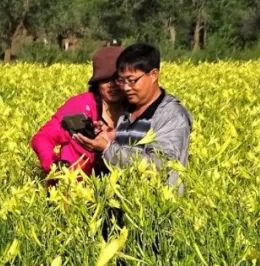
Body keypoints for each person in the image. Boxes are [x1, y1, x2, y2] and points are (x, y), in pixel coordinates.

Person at [75, 42, 192, 191]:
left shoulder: (172, 115)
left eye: (132, 80)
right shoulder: (128, 111)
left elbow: (159, 165)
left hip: (157, 209)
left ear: (154, 75)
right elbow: (131, 150)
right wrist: (112, 136)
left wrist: (107, 148)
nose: (125, 87)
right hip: (128, 206)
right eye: (121, 81)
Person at [30, 45, 128, 178]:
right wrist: (54, 166)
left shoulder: (138, 109)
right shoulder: (81, 106)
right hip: (74, 190)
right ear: (96, 83)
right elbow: (42, 138)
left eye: (117, 78)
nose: (112, 85)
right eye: (105, 79)